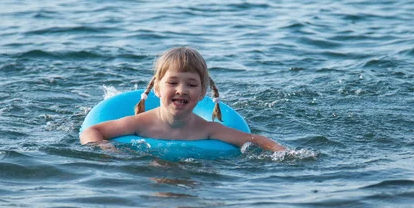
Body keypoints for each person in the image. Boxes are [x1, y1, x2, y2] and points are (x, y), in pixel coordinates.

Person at [80, 47, 287, 152]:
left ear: (202, 92)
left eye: (191, 84)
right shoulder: (139, 124)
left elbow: (254, 140)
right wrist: (106, 149)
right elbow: (92, 131)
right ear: (157, 89)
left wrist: (284, 152)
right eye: (173, 83)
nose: (182, 90)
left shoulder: (207, 130)